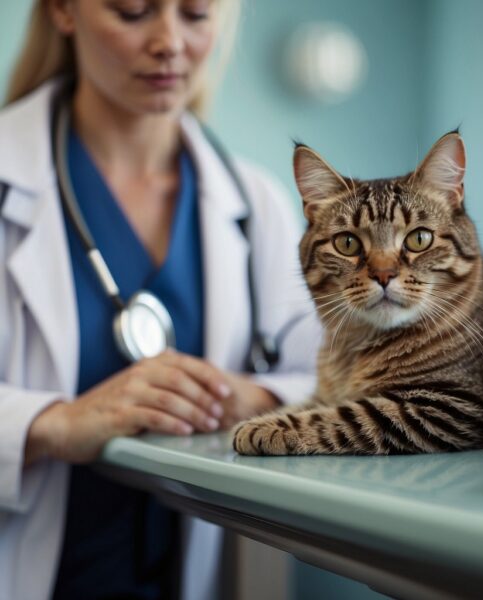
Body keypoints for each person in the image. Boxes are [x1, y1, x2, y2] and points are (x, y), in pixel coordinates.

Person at [0, 1, 319, 598]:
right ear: (63, 11)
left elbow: (338, 377)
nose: (169, 41)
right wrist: (52, 424)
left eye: (196, 14)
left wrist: (253, 397)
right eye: (132, 11)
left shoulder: (257, 203)